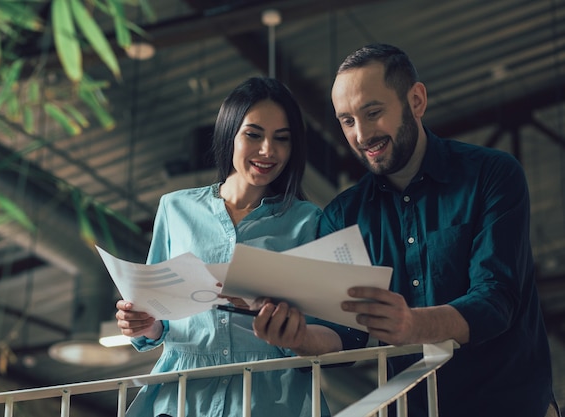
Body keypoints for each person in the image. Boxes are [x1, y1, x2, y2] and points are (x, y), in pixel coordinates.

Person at [320, 43, 561, 417]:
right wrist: (300, 338)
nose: (362, 134)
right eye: (347, 120)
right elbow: (347, 334)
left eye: (373, 112)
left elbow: (496, 299)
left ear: (416, 101)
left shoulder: (492, 175)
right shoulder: (341, 216)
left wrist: (411, 324)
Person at [115, 76, 362, 417]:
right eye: (253, 134)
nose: (267, 151)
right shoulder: (175, 209)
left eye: (282, 139)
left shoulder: (308, 221)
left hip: (270, 397)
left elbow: (324, 325)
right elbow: (159, 317)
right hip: (182, 396)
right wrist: (144, 324)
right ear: (230, 133)